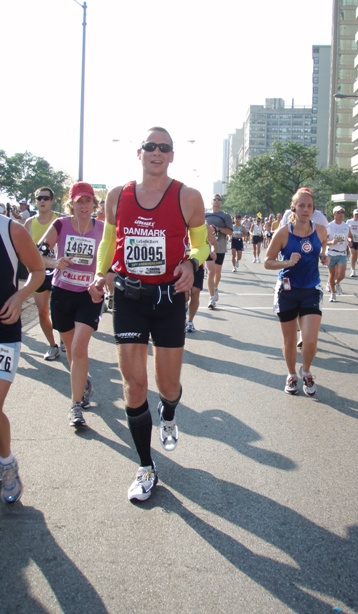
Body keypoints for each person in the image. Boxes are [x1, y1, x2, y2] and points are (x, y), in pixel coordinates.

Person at [88, 126, 210, 503]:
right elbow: (109, 241)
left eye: (164, 148)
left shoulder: (188, 197)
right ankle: (145, 467)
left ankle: (169, 413)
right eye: (150, 146)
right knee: (135, 384)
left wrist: (192, 263)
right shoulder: (116, 195)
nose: (157, 152)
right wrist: (99, 273)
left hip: (169, 299)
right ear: (138, 153)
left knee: (168, 385)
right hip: (129, 298)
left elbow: (203, 245)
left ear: (172, 156)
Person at [39, 182, 104, 426]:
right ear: (71, 204)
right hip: (62, 292)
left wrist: (100, 279)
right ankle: (83, 384)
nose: (84, 205)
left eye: (88, 200)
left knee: (78, 348)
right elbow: (38, 254)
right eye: (79, 201)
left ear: (94, 203)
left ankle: (75, 407)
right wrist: (56, 263)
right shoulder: (61, 225)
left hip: (89, 295)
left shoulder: (103, 228)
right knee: (70, 350)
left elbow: (110, 261)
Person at [264, 187, 328, 397]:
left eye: (309, 206)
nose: (305, 209)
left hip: (310, 289)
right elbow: (267, 262)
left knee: (310, 340)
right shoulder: (283, 232)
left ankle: (306, 371)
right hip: (287, 290)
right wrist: (287, 262)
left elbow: (322, 248)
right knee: (290, 340)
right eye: (301, 205)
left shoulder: (320, 230)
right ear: (294, 207)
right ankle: (291, 374)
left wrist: (324, 257)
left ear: (313, 209)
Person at [0, 214, 45, 503]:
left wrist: (20, 297)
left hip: (4, 329)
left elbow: (38, 271)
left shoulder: (10, 229)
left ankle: (6, 464)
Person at [24, 187, 62, 361]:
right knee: (42, 312)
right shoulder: (29, 223)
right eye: (39, 198)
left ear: (52, 200)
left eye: (46, 198)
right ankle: (52, 345)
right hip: (39, 273)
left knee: (61, 310)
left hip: (60, 271)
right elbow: (22, 250)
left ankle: (65, 338)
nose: (42, 201)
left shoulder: (60, 220)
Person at [186, 225, 218, 332]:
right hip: (181, 263)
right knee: (185, 296)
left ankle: (190, 321)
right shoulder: (177, 221)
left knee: (195, 292)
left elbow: (213, 243)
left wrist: (213, 252)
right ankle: (182, 315)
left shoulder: (204, 227)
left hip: (197, 264)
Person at [204, 195, 233, 309]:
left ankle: (215, 288)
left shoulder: (225, 216)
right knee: (210, 272)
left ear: (221, 202)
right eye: (214, 199)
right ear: (211, 201)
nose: (216, 201)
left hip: (219, 246)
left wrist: (217, 229)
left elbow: (230, 232)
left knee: (217, 272)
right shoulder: (204, 215)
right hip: (206, 246)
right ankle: (211, 298)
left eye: (219, 199)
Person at [325, 205, 351, 302]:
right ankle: (333, 293)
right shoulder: (329, 226)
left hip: (342, 252)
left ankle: (336, 283)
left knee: (342, 274)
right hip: (332, 252)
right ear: (334, 214)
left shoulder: (346, 226)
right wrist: (331, 242)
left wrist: (349, 240)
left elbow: (349, 236)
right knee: (332, 275)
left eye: (342, 212)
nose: (341, 214)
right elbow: (324, 241)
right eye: (339, 212)